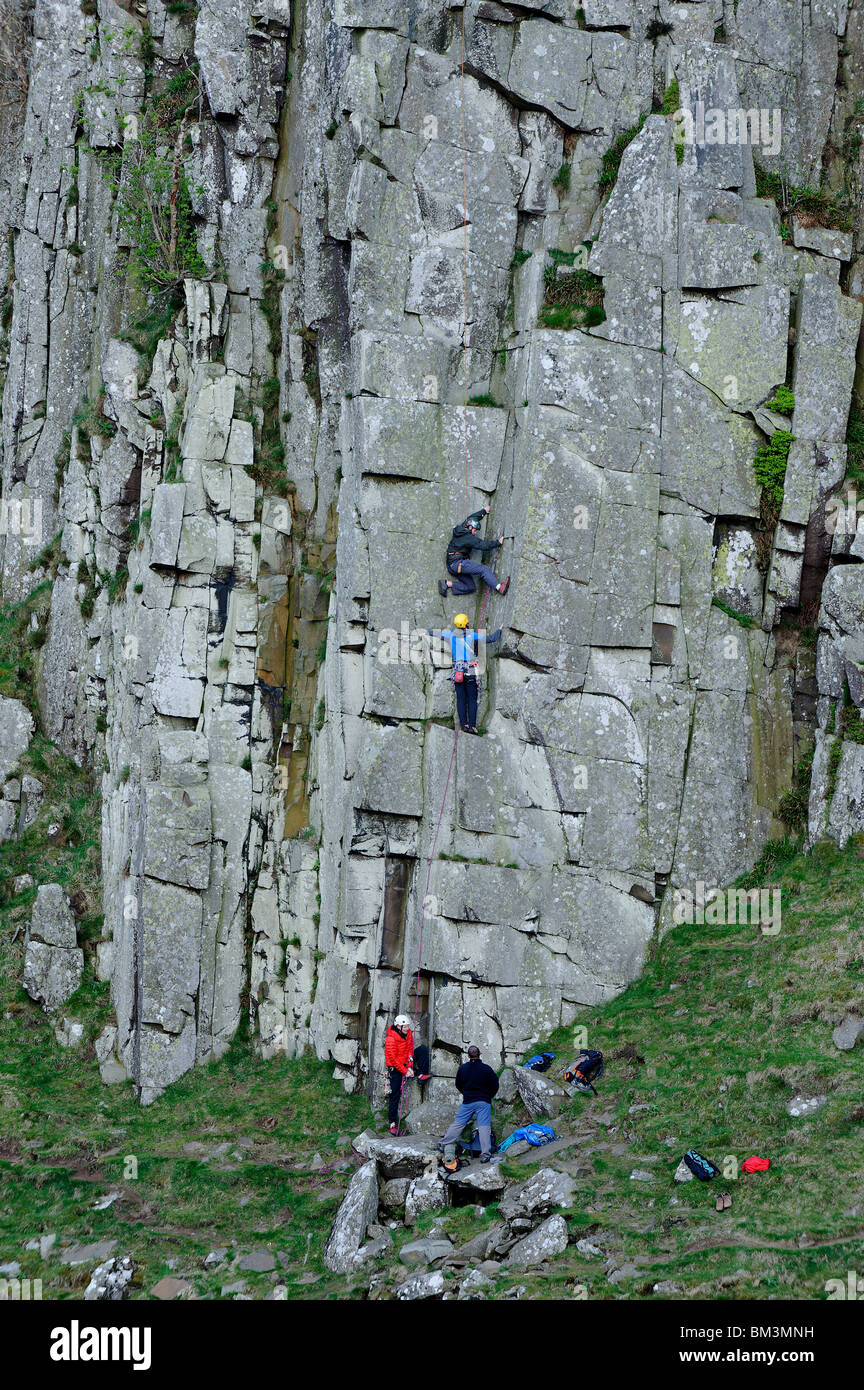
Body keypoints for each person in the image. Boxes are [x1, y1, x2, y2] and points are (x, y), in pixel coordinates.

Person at [435, 613, 501, 734]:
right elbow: (491, 639)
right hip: (470, 669)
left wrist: (424, 633)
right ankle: (472, 726)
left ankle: (464, 724)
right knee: (472, 698)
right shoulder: (472, 635)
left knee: (461, 698)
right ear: (466, 623)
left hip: (458, 669)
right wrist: (500, 630)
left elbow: (436, 634)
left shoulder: (451, 635)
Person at [441, 1044, 500, 1169]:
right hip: (483, 1101)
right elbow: (495, 1085)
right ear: (480, 1054)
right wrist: (488, 1096)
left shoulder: (463, 1068)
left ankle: (443, 1143)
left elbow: (458, 1084)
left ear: (468, 1056)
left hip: (468, 1101)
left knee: (459, 1123)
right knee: (484, 1127)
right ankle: (485, 1154)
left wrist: (466, 1094)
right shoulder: (487, 1069)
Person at [439, 505, 510, 598]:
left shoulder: (462, 528)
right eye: (475, 530)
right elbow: (483, 545)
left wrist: (484, 511)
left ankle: (446, 584)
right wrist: (497, 543)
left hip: (452, 565)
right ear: (470, 528)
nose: (475, 532)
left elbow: (472, 517)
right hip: (457, 563)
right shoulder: (468, 538)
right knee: (483, 570)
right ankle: (500, 587)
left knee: (470, 587)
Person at [384, 1014, 414, 1135]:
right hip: (395, 1068)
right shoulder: (390, 1039)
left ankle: (422, 1074)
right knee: (395, 1095)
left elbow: (410, 1048)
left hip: (405, 1063)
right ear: (398, 1026)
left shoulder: (408, 1034)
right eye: (405, 1026)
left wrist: (410, 1065)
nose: (407, 1028)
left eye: (407, 1026)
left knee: (422, 1050)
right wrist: (405, 1071)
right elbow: (394, 1059)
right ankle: (392, 1122)